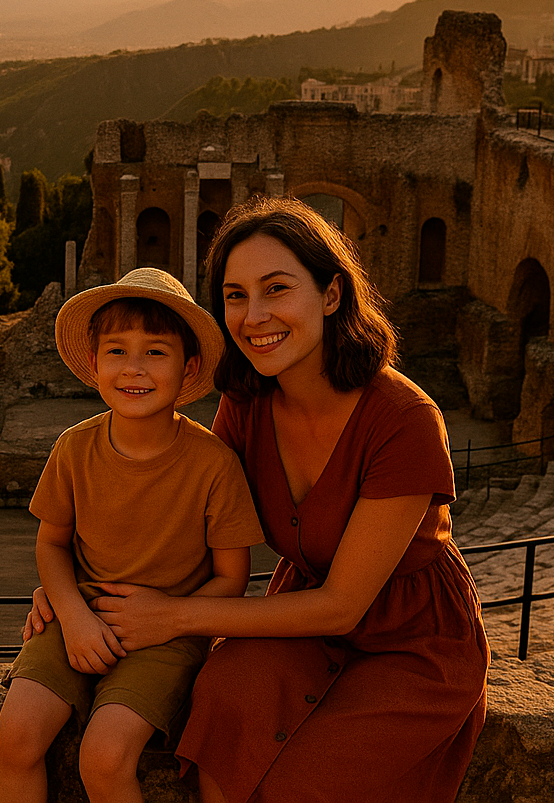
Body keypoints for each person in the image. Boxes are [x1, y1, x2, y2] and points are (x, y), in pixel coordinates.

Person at [26, 198, 489, 803]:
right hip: (297, 610)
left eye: (276, 289)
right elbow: (190, 517)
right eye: (236, 295)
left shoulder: (404, 420)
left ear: (330, 295)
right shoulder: (246, 405)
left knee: (303, 781)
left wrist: (173, 616)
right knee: (222, 710)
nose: (254, 316)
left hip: (408, 634)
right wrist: (71, 585)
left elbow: (343, 606)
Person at [0, 268, 264, 803]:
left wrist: (165, 618)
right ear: (94, 363)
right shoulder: (74, 449)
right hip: (78, 618)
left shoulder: (214, 464)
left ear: (187, 368)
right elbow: (51, 543)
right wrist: (72, 615)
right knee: (15, 737)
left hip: (166, 638)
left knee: (105, 757)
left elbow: (232, 578)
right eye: (116, 351)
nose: (133, 369)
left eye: (155, 352)